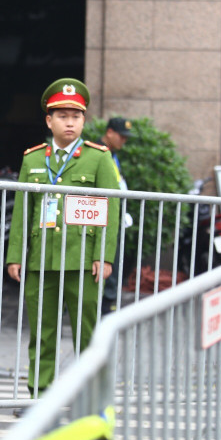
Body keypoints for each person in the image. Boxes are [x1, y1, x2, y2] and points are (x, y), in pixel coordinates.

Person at [5, 78, 120, 409]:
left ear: (84, 121)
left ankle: (89, 399)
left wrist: (104, 255)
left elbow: (111, 209)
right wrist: (17, 255)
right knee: (42, 334)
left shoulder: (98, 158)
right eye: (63, 115)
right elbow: (23, 212)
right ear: (49, 121)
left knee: (87, 334)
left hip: (83, 259)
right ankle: (39, 398)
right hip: (42, 260)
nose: (70, 122)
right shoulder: (33, 159)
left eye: (76, 116)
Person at [96, 116, 131, 315]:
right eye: (121, 136)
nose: (123, 141)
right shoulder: (101, 153)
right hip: (105, 218)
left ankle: (107, 306)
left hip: (114, 216)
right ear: (109, 132)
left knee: (113, 263)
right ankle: (105, 309)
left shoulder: (111, 154)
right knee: (109, 262)